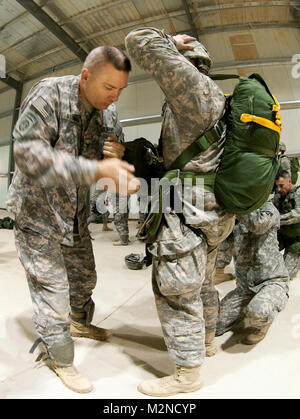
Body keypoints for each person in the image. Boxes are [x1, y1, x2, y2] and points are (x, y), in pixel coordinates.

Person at [6, 45, 140, 393]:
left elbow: (111, 155)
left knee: (85, 280)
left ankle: (78, 323)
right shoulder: (50, 94)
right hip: (37, 214)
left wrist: (119, 158)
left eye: (120, 90)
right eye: (109, 87)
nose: (114, 97)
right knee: (54, 289)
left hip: (74, 215)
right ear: (85, 77)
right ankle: (58, 355)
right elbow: (27, 154)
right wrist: (96, 168)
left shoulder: (108, 114)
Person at [125, 28, 235, 397]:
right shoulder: (214, 96)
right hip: (212, 212)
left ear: (189, 64)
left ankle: (187, 375)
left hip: (188, 210)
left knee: (176, 290)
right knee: (202, 282)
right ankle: (205, 344)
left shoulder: (192, 87)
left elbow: (138, 40)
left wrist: (172, 41)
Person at [216, 201, 289, 344]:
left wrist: (236, 204)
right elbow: (221, 240)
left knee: (258, 311)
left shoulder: (268, 209)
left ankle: (262, 324)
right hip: (245, 288)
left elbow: (257, 224)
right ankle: (248, 307)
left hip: (271, 282)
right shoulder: (235, 218)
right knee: (214, 325)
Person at [273, 170, 300, 279]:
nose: (279, 189)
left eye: (281, 186)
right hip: (283, 237)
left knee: (285, 275)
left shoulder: (298, 193)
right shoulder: (279, 196)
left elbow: (298, 214)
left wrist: (278, 219)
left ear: (289, 181)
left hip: (296, 240)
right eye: (277, 186)